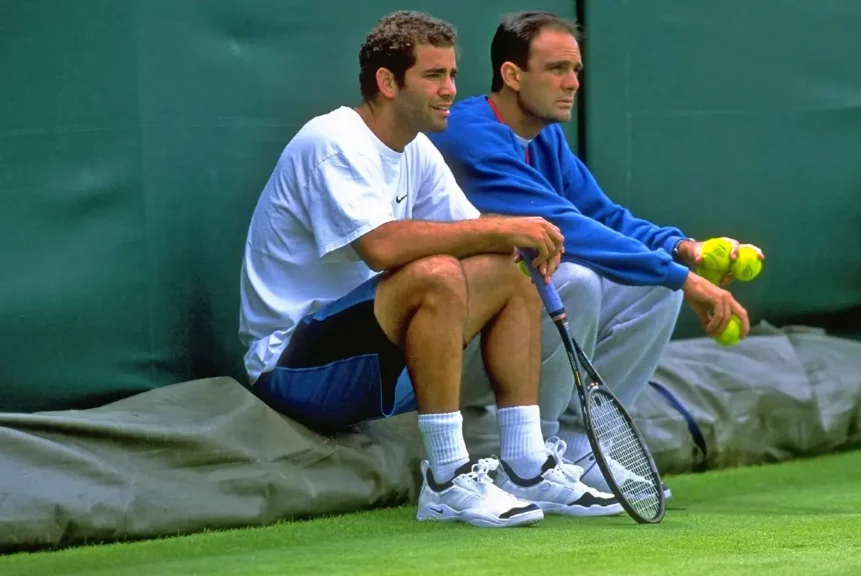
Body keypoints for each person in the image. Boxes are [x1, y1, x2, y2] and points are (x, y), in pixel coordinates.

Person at [238, 10, 622, 528]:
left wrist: (517, 237)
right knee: (438, 271)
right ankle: (445, 479)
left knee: (513, 266)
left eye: (452, 75)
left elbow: (477, 236)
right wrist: (504, 228)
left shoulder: (415, 148)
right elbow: (381, 246)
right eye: (433, 76)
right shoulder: (332, 140)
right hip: (292, 369)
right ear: (387, 82)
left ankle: (526, 464)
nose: (449, 90)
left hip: (371, 358)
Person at [427, 11, 764, 497]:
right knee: (574, 281)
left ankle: (580, 449)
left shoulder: (545, 136)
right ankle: (530, 459)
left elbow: (601, 214)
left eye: (577, 70)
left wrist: (682, 248)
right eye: (557, 69)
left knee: (652, 288)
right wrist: (686, 281)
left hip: (499, 344)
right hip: (440, 353)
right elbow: (566, 228)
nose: (572, 83)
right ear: (512, 74)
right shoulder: (468, 134)